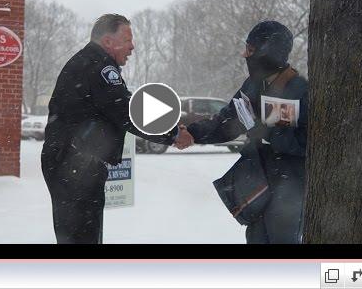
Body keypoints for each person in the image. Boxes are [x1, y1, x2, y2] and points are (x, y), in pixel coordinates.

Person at [41, 14, 193, 244]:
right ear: (108, 41)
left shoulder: (92, 62)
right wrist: (173, 134)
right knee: (82, 239)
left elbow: (124, 105)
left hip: (72, 162)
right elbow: (126, 111)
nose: (132, 46)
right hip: (73, 166)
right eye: (127, 39)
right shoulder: (98, 66)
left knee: (78, 237)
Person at [176, 21, 308, 244]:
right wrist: (191, 133)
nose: (243, 55)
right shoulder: (253, 85)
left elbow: (301, 144)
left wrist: (264, 129)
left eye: (250, 49)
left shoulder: (295, 88)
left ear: (267, 52)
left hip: (289, 191)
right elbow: (227, 120)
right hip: (258, 187)